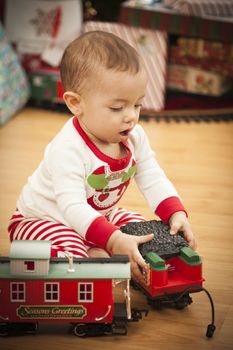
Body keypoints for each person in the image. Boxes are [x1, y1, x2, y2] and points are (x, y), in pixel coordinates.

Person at [8, 31, 196, 285]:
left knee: (147, 231)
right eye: (118, 108)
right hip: (45, 219)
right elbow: (72, 207)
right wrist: (112, 239)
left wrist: (175, 213)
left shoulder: (134, 137)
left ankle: (128, 263)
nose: (131, 116)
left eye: (137, 104)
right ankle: (94, 258)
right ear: (76, 103)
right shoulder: (67, 148)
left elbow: (152, 175)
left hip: (98, 216)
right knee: (76, 256)